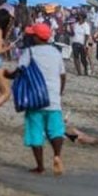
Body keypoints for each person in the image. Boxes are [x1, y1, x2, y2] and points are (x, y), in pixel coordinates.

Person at [13, 23, 66, 175]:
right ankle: (57, 155)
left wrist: (7, 75)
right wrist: (59, 93)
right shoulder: (56, 52)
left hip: (35, 99)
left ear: (36, 37)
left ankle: (40, 166)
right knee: (56, 131)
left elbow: (19, 71)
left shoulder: (29, 52)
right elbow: (62, 76)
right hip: (54, 99)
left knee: (35, 132)